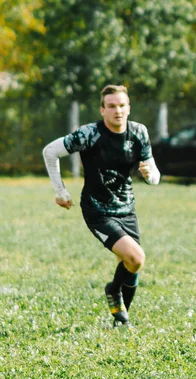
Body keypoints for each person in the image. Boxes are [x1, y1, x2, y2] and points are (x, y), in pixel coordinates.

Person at [42, 84, 161, 328]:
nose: (118, 111)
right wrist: (60, 191)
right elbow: (50, 151)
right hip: (97, 209)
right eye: (112, 106)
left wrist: (149, 174)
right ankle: (113, 290)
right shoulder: (89, 134)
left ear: (128, 108)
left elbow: (154, 177)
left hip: (126, 208)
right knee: (136, 257)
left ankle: (120, 320)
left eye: (122, 105)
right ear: (102, 110)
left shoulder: (139, 132)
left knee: (128, 263)